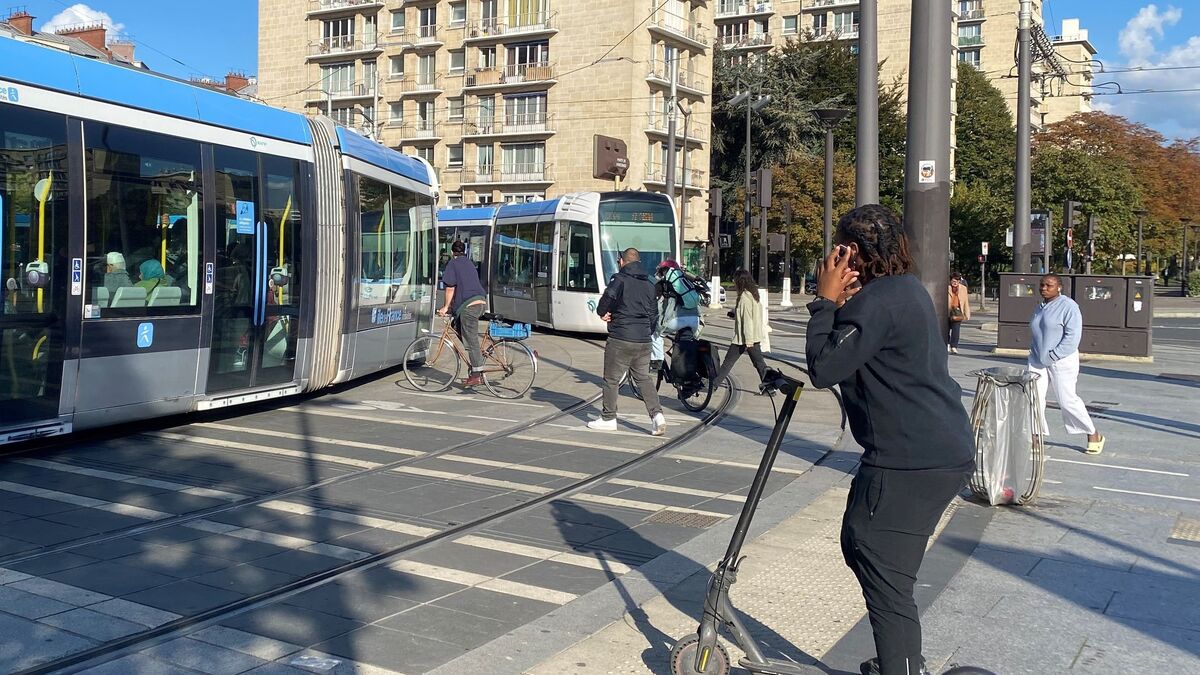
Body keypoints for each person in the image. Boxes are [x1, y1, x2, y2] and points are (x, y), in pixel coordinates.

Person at [805, 204, 974, 675]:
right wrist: (843, 307)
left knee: (885, 575)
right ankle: (900, 660)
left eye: (839, 249)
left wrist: (823, 303)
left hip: (909, 460)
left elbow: (823, 367)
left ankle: (901, 665)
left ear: (851, 253)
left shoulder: (876, 303)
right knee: (858, 541)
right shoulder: (904, 291)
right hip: (935, 449)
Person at [589, 247, 665, 436]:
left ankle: (608, 418)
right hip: (643, 340)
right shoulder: (649, 284)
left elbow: (608, 299)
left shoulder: (619, 279)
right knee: (643, 378)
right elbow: (654, 315)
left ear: (622, 261)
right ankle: (657, 416)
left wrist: (603, 313)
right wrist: (646, 331)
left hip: (621, 338)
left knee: (611, 379)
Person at [1029, 273, 1105, 454]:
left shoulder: (1069, 307)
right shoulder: (1040, 307)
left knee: (1067, 400)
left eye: (1049, 285)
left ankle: (1093, 433)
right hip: (1037, 360)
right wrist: (1033, 351)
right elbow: (1036, 332)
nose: (1044, 288)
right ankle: (1035, 436)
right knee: (1033, 398)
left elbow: (1072, 338)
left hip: (1062, 360)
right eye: (1042, 285)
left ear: (1059, 287)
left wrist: (1054, 355)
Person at [438, 239, 489, 388]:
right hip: (480, 302)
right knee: (458, 327)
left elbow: (450, 288)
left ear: (452, 252)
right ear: (464, 251)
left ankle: (476, 374)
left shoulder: (453, 264)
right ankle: (476, 357)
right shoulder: (469, 263)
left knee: (471, 339)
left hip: (469, 307)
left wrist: (445, 307)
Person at [711, 269, 770, 389]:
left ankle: (714, 384)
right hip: (754, 336)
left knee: (728, 362)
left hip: (744, 338)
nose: (733, 282)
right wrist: (735, 314)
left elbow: (748, 320)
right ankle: (770, 386)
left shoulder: (744, 298)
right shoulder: (754, 294)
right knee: (759, 364)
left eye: (735, 280)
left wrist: (748, 340)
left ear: (740, 281)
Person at [650, 260, 703, 365]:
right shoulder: (687, 282)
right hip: (694, 320)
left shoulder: (663, 284)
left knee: (656, 336)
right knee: (687, 341)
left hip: (676, 320)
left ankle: (657, 362)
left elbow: (652, 300)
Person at [947, 272, 971, 354]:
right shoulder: (947, 288)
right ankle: (947, 344)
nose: (955, 283)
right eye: (953, 281)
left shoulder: (963, 288)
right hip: (948, 311)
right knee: (946, 329)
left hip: (957, 311)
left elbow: (966, 302)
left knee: (956, 330)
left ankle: (954, 346)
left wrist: (967, 313)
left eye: (957, 281)